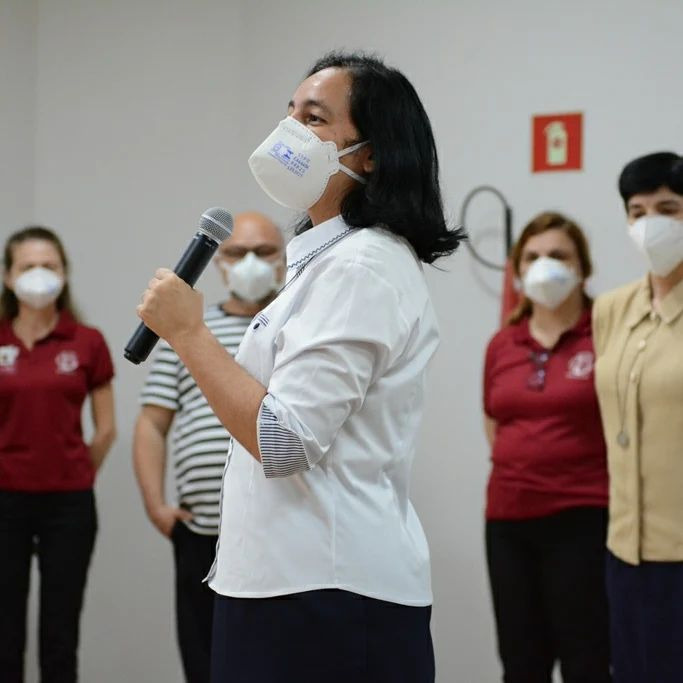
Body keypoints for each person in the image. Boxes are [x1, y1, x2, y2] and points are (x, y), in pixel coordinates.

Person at [135, 51, 464, 682]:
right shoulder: (324, 262)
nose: (289, 131)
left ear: (369, 154)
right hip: (279, 583)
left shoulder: (362, 267)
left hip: (328, 595)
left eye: (313, 119)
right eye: (288, 112)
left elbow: (283, 438)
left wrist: (189, 331)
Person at [132, 211, 285, 683]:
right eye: (237, 252)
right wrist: (157, 505)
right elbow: (153, 423)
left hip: (278, 533)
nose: (251, 263)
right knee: (205, 661)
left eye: (264, 251)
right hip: (201, 533)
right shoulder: (184, 329)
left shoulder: (292, 324)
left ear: (284, 259)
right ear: (218, 260)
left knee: (277, 660)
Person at [483, 212, 611, 683]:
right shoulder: (503, 344)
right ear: (517, 271)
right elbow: (494, 422)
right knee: (521, 664)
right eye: (532, 257)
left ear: (582, 267)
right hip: (508, 522)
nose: (544, 266)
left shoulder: (606, 332)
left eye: (558, 256)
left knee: (588, 661)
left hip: (584, 516)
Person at [0, 226, 116, 683]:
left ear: (65, 274)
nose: (39, 275)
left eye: (49, 266)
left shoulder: (86, 341)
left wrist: (75, 472)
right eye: (28, 266)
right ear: (9, 277)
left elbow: (106, 429)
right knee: (4, 634)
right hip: (4, 502)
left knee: (60, 634)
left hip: (68, 506)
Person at [593, 151, 683, 683]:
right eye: (637, 210)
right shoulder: (612, 309)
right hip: (625, 548)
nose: (651, 223)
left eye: (668, 208)